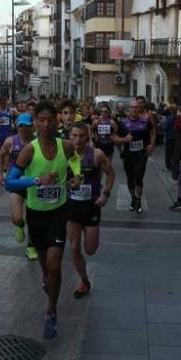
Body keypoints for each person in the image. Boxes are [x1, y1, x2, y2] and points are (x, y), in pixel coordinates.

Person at [6, 100, 73, 339]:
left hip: (58, 212)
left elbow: (75, 165)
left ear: (57, 121)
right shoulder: (29, 151)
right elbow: (10, 183)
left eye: (49, 120)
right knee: (46, 266)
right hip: (35, 214)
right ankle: (48, 280)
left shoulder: (66, 146)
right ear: (35, 123)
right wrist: (35, 181)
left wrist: (76, 178)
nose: (45, 124)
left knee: (55, 264)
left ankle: (51, 311)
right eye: (41, 120)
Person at [66, 122, 115, 298]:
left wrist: (106, 194)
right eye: (74, 136)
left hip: (91, 206)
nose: (78, 140)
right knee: (73, 247)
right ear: (69, 136)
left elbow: (111, 173)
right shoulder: (64, 155)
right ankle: (84, 280)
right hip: (72, 206)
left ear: (87, 136)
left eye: (81, 136)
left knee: (90, 249)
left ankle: (84, 276)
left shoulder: (96, 155)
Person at [0, 113, 38, 261]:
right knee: (16, 217)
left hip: (34, 183)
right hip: (16, 183)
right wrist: (1, 173)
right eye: (21, 125)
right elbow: (1, 155)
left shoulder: (37, 142)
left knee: (34, 219)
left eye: (27, 125)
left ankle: (31, 247)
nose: (24, 129)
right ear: (16, 126)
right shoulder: (10, 142)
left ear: (32, 126)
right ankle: (20, 225)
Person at [114, 99, 154, 213]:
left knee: (139, 177)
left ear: (139, 108)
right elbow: (115, 138)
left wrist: (151, 144)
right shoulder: (122, 123)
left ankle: (138, 200)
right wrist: (124, 139)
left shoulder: (145, 121)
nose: (134, 109)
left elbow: (152, 131)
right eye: (132, 107)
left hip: (141, 154)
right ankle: (133, 198)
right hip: (128, 154)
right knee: (130, 179)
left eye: (136, 107)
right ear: (128, 109)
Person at [162, 103, 178, 172]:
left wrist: (163, 124)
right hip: (176, 137)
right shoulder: (178, 117)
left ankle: (168, 166)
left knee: (168, 153)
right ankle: (173, 165)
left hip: (169, 137)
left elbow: (165, 128)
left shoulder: (169, 118)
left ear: (171, 110)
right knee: (174, 153)